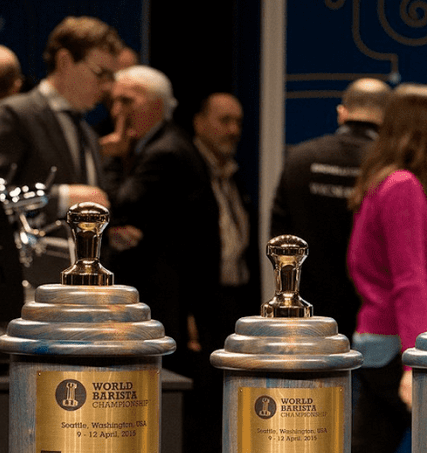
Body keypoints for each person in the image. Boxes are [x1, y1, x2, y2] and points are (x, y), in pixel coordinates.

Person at [347, 83, 427, 453]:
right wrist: (415, 360)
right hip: (398, 346)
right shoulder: (403, 187)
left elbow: (381, 267)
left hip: (384, 340)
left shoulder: (382, 182)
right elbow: (407, 281)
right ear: (426, 132)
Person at [0, 17, 123, 324]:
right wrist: (60, 197)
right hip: (29, 295)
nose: (108, 86)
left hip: (82, 300)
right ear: (65, 61)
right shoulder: (15, 114)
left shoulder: (87, 132)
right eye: (101, 73)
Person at [100, 65, 219, 370]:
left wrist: (112, 158)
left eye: (127, 101)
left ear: (157, 104)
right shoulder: (160, 143)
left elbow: (117, 204)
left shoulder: (165, 151)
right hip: (167, 294)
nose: (116, 111)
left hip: (166, 298)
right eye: (114, 101)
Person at [270, 77, 391, 339]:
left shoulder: (301, 158)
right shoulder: (392, 167)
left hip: (309, 315)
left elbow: (279, 238)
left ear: (342, 113)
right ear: (390, 117)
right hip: (373, 321)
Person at [192, 91, 259, 351]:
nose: (233, 130)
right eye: (225, 121)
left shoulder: (234, 175)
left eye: (238, 122)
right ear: (199, 123)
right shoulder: (186, 169)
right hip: (201, 302)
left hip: (236, 299)